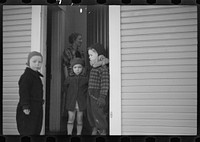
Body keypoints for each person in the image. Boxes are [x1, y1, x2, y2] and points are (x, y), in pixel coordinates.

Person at [16, 51, 44, 135]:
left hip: (37, 108)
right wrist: (25, 106)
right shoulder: (26, 76)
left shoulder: (36, 76)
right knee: (28, 131)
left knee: (36, 130)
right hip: (28, 109)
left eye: (39, 62)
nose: (37, 64)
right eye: (34, 61)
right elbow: (23, 92)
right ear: (28, 62)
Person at [87, 43, 109, 135]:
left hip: (97, 95)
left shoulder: (103, 69)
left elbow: (105, 84)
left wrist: (102, 96)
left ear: (99, 56)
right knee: (91, 112)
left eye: (91, 55)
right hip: (90, 94)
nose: (89, 57)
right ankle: (95, 127)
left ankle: (102, 129)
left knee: (99, 112)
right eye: (89, 55)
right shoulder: (93, 68)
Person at [64, 58, 88, 135]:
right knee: (70, 119)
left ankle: (78, 133)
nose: (77, 69)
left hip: (81, 102)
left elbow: (87, 90)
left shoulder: (85, 79)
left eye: (79, 67)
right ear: (72, 68)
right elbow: (65, 88)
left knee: (79, 119)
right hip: (71, 101)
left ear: (83, 68)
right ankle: (69, 133)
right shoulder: (69, 79)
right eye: (75, 67)